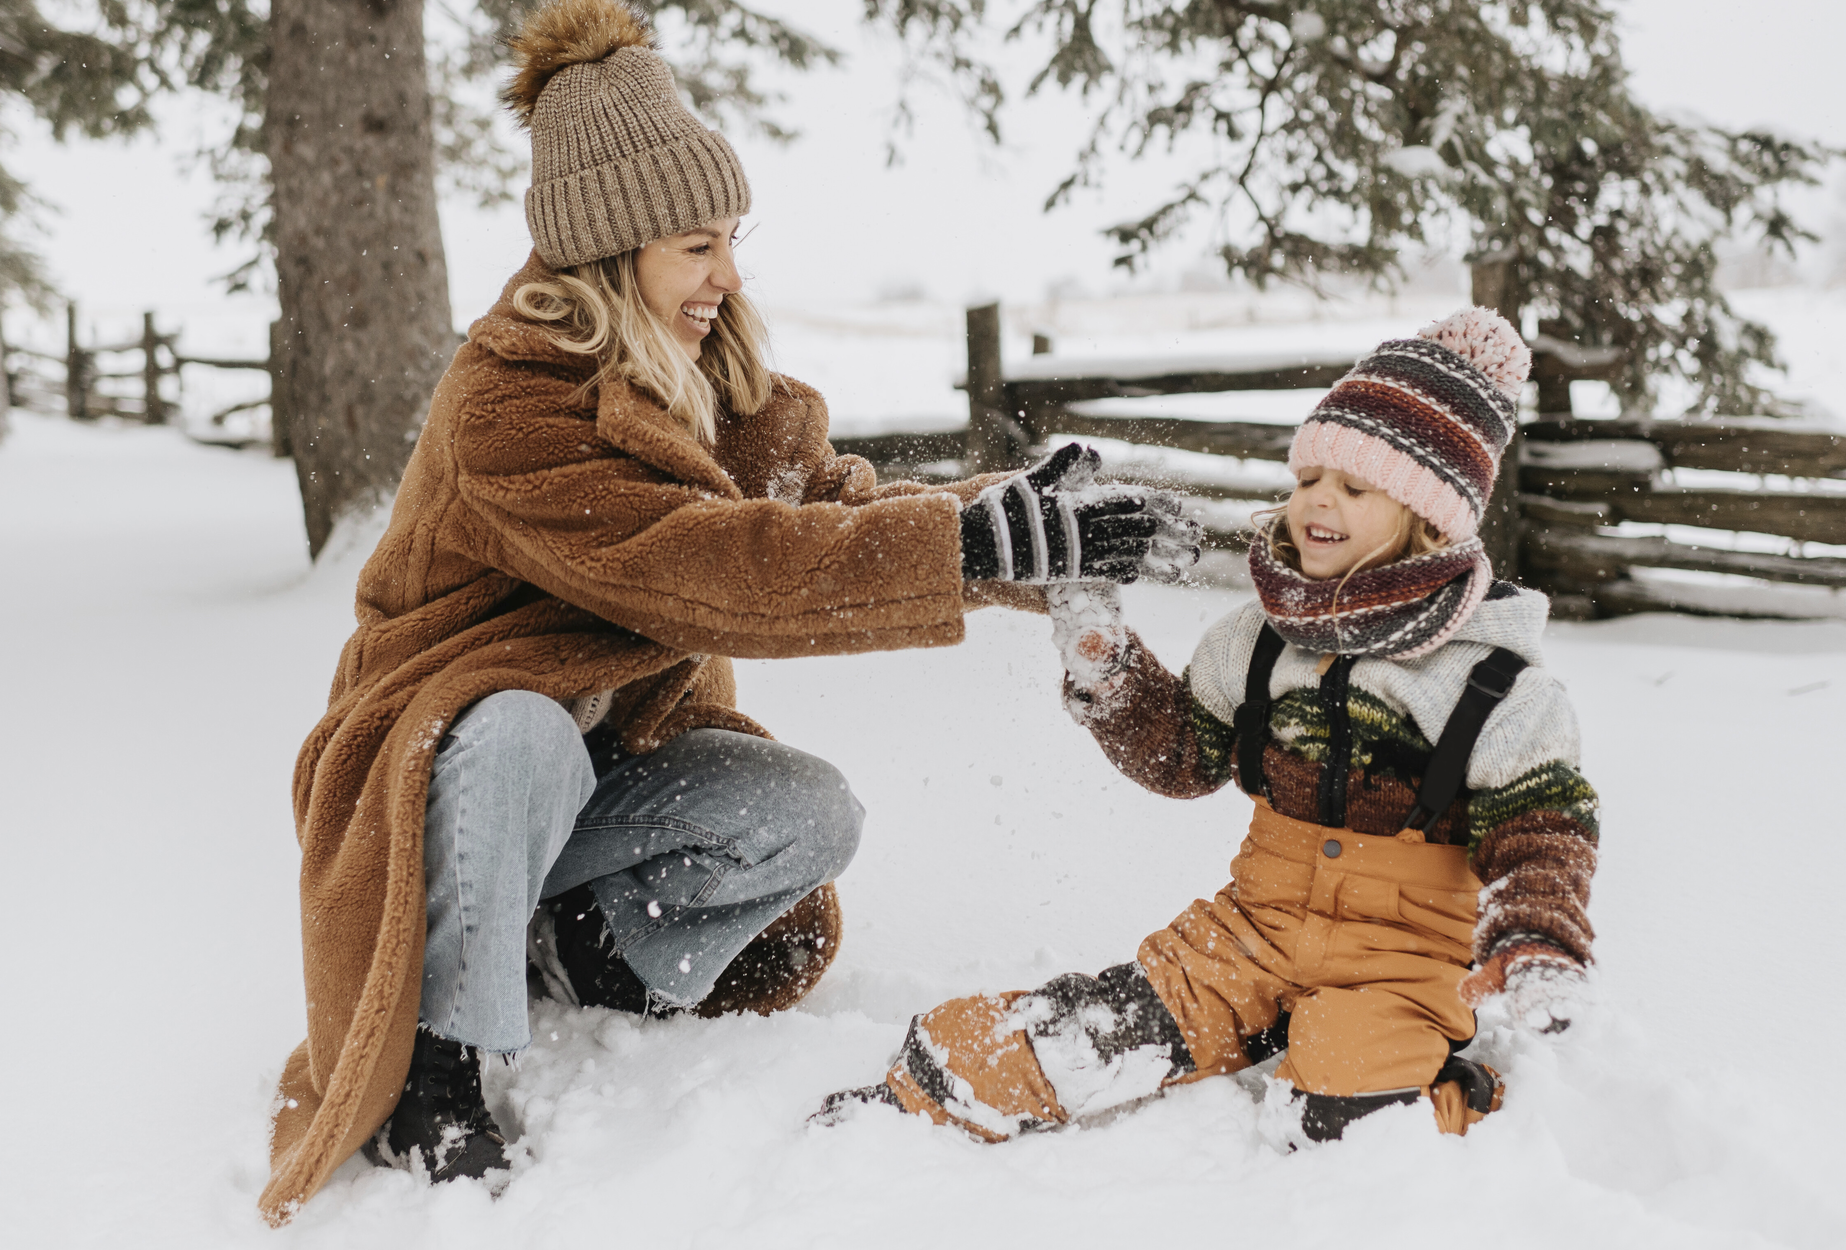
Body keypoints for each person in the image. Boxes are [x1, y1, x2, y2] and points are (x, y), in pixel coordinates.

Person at [257, 0, 1200, 1222]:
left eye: (730, 241)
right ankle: (441, 1062)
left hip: (602, 769)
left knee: (808, 810)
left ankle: (585, 946)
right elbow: (714, 566)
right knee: (516, 731)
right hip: (448, 763)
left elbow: (830, 508)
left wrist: (1017, 523)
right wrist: (968, 543)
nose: (726, 274)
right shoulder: (508, 404)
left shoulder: (715, 379)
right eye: (698, 246)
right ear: (617, 249)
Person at [818, 308, 1601, 1148]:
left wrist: (1537, 937)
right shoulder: (1256, 642)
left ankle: (1459, 1092)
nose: (1316, 501)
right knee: (1067, 1043)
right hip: (1251, 934)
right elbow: (1183, 757)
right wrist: (1108, 666)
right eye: (1308, 479)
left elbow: (1542, 834)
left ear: (1432, 518)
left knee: (1340, 1114)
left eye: (1354, 486)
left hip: (1406, 964)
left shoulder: (1497, 686)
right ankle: (929, 1096)